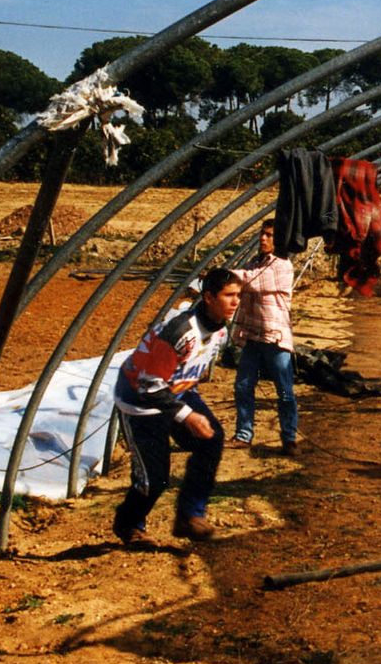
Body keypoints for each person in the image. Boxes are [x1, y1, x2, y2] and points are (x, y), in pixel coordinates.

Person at [112, 268, 243, 547]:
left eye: (238, 296)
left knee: (211, 438)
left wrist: (189, 409)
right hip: (141, 401)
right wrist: (187, 415)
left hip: (177, 391)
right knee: (156, 478)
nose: (235, 302)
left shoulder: (220, 328)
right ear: (208, 297)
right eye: (229, 295)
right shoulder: (181, 332)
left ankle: (190, 515)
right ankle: (129, 524)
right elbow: (148, 385)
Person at [228, 220, 299, 455]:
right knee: (243, 386)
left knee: (285, 391)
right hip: (253, 337)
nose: (263, 239)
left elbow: (252, 282)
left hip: (275, 338)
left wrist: (221, 276)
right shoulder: (254, 263)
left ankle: (289, 438)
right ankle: (243, 435)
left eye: (269, 235)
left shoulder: (282, 266)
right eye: (262, 234)